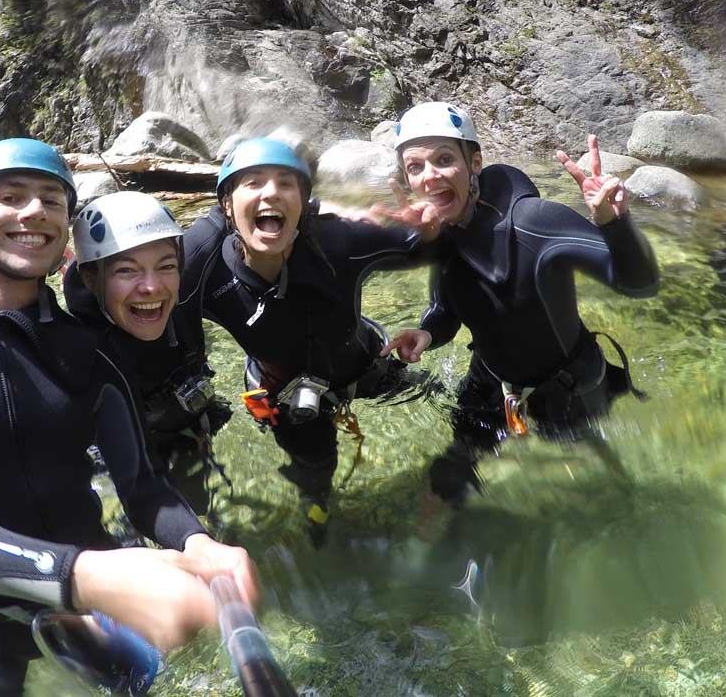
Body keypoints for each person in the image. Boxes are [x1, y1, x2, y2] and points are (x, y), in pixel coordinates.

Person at [0, 138, 256, 696]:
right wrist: (81, 577)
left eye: (52, 201)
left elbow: (142, 484)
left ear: (65, 242)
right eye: (10, 197)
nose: (33, 211)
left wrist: (199, 545)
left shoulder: (90, 351)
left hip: (87, 589)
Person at [377, 102, 660, 508]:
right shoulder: (440, 232)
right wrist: (427, 332)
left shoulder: (535, 222)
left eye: (443, 160)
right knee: (453, 468)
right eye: (415, 167)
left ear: (474, 162)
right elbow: (446, 309)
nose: (429, 177)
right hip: (489, 380)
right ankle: (450, 549)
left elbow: (640, 285)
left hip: (567, 388)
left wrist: (614, 223)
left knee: (597, 486)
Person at [181, 137, 440, 546]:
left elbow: (428, 250)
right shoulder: (207, 275)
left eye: (287, 184)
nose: (271, 192)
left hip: (369, 365)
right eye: (253, 183)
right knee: (316, 471)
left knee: (440, 399)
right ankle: (317, 516)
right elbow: (141, 297)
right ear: (226, 206)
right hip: (285, 395)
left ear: (303, 204)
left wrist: (428, 231)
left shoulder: (337, 243)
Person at [64, 191, 232, 516]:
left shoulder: (186, 280)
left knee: (198, 508)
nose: (152, 288)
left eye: (166, 266)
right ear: (90, 278)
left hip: (190, 429)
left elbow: (227, 212)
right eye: (126, 270)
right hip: (125, 452)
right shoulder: (74, 349)